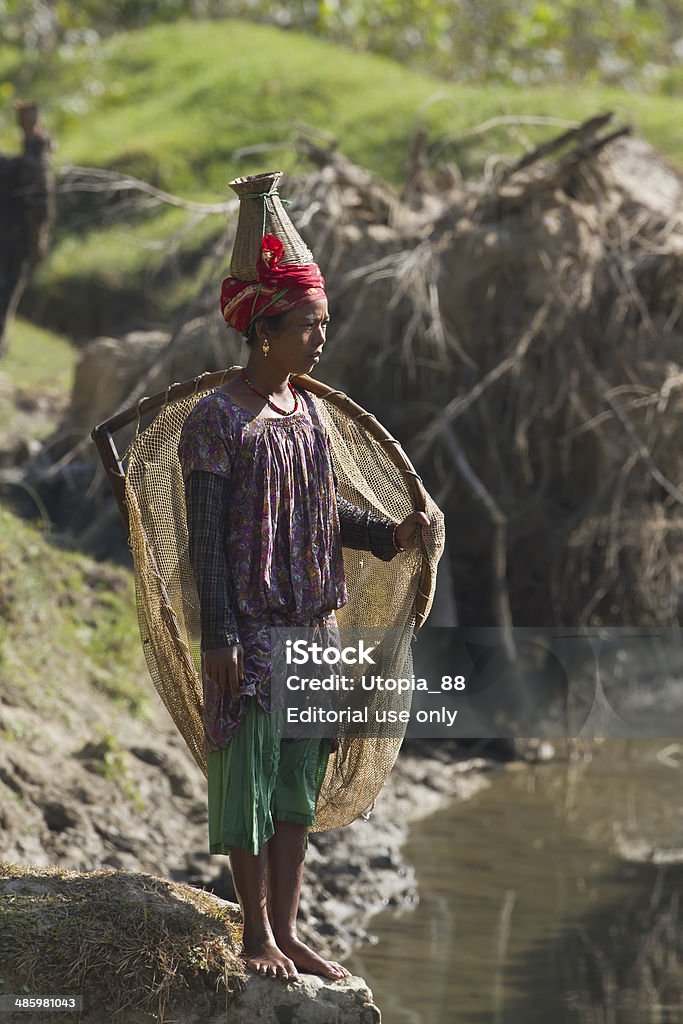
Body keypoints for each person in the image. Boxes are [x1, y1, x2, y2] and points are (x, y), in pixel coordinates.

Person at [178, 205, 428, 983]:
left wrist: (392, 535)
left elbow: (324, 515)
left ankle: (286, 933)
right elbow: (207, 543)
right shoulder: (215, 422)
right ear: (263, 331)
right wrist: (215, 634)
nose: (320, 339)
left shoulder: (310, 414)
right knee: (247, 785)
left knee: (295, 792)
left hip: (311, 627)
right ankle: (253, 934)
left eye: (322, 325)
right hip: (249, 635)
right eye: (308, 326)